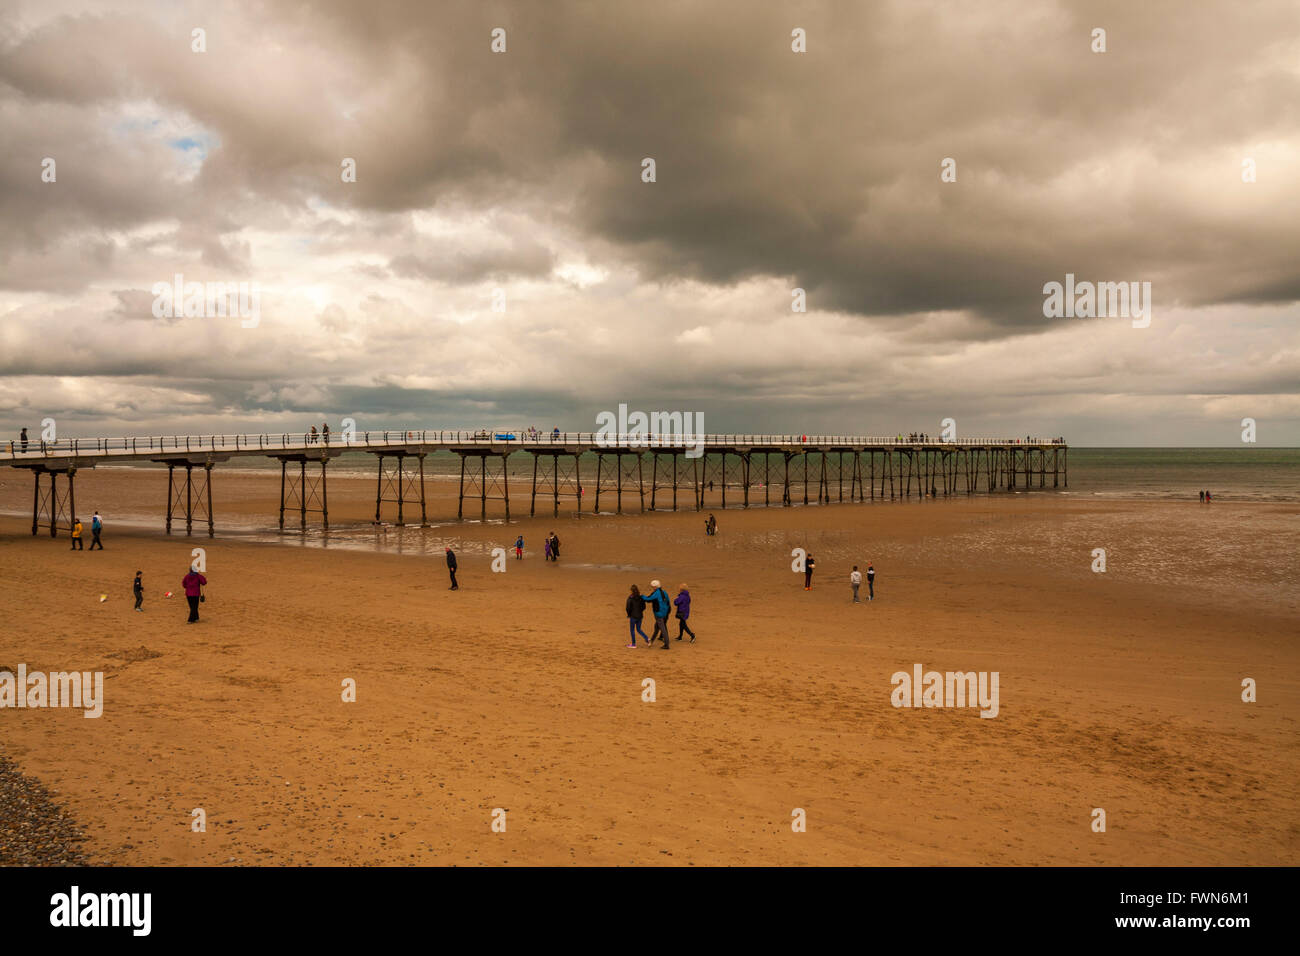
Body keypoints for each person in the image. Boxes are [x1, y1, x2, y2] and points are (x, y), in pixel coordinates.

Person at [645, 580, 672, 649]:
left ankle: (666, 644)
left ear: (655, 587)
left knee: (662, 629)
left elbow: (648, 599)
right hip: (664, 613)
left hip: (659, 614)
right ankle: (651, 641)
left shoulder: (656, 593)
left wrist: (641, 596)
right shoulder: (664, 592)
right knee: (657, 627)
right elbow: (668, 602)